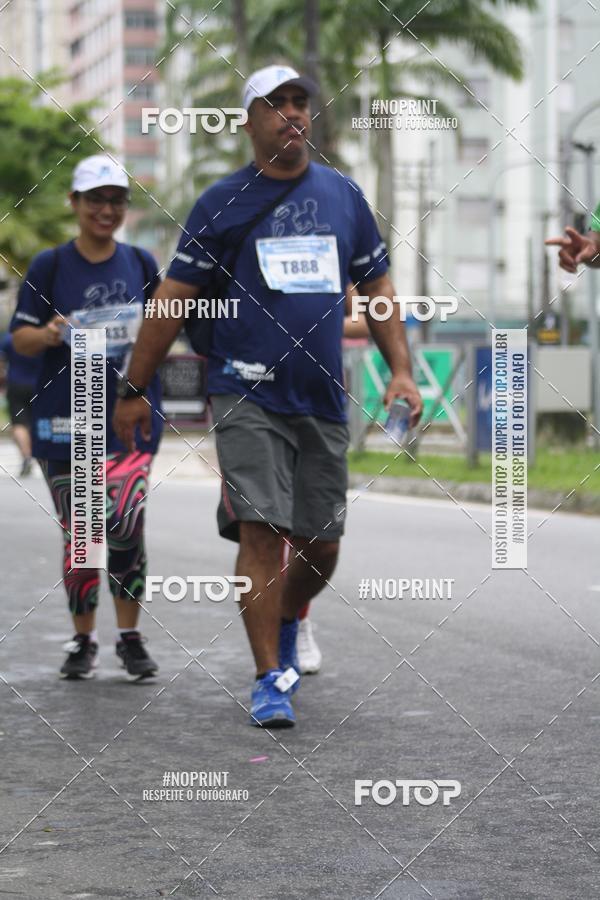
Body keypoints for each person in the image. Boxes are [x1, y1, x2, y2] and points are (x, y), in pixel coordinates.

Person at [114, 64, 423, 727]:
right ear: (249, 121)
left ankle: (288, 615)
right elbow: (172, 300)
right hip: (245, 390)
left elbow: (377, 289)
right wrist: (134, 386)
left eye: (299, 101)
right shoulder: (221, 202)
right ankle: (268, 679)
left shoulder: (343, 195)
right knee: (262, 532)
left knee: (322, 544)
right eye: (275, 103)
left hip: (321, 395)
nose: (292, 113)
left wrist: (401, 369)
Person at [11, 154, 163, 681]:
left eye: (116, 200)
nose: (106, 210)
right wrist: (51, 333)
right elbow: (20, 339)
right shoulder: (49, 265)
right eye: (95, 199)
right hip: (66, 420)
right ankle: (84, 640)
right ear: (74, 203)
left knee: (124, 523)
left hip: (128, 418)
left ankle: (130, 638)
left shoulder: (141, 264)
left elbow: (162, 330)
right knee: (81, 535)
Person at [0, 332, 43, 476]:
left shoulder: (10, 338)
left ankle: (26, 456)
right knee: (39, 421)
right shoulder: (43, 336)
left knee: (19, 423)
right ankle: (42, 455)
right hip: (40, 384)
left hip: (16, 385)